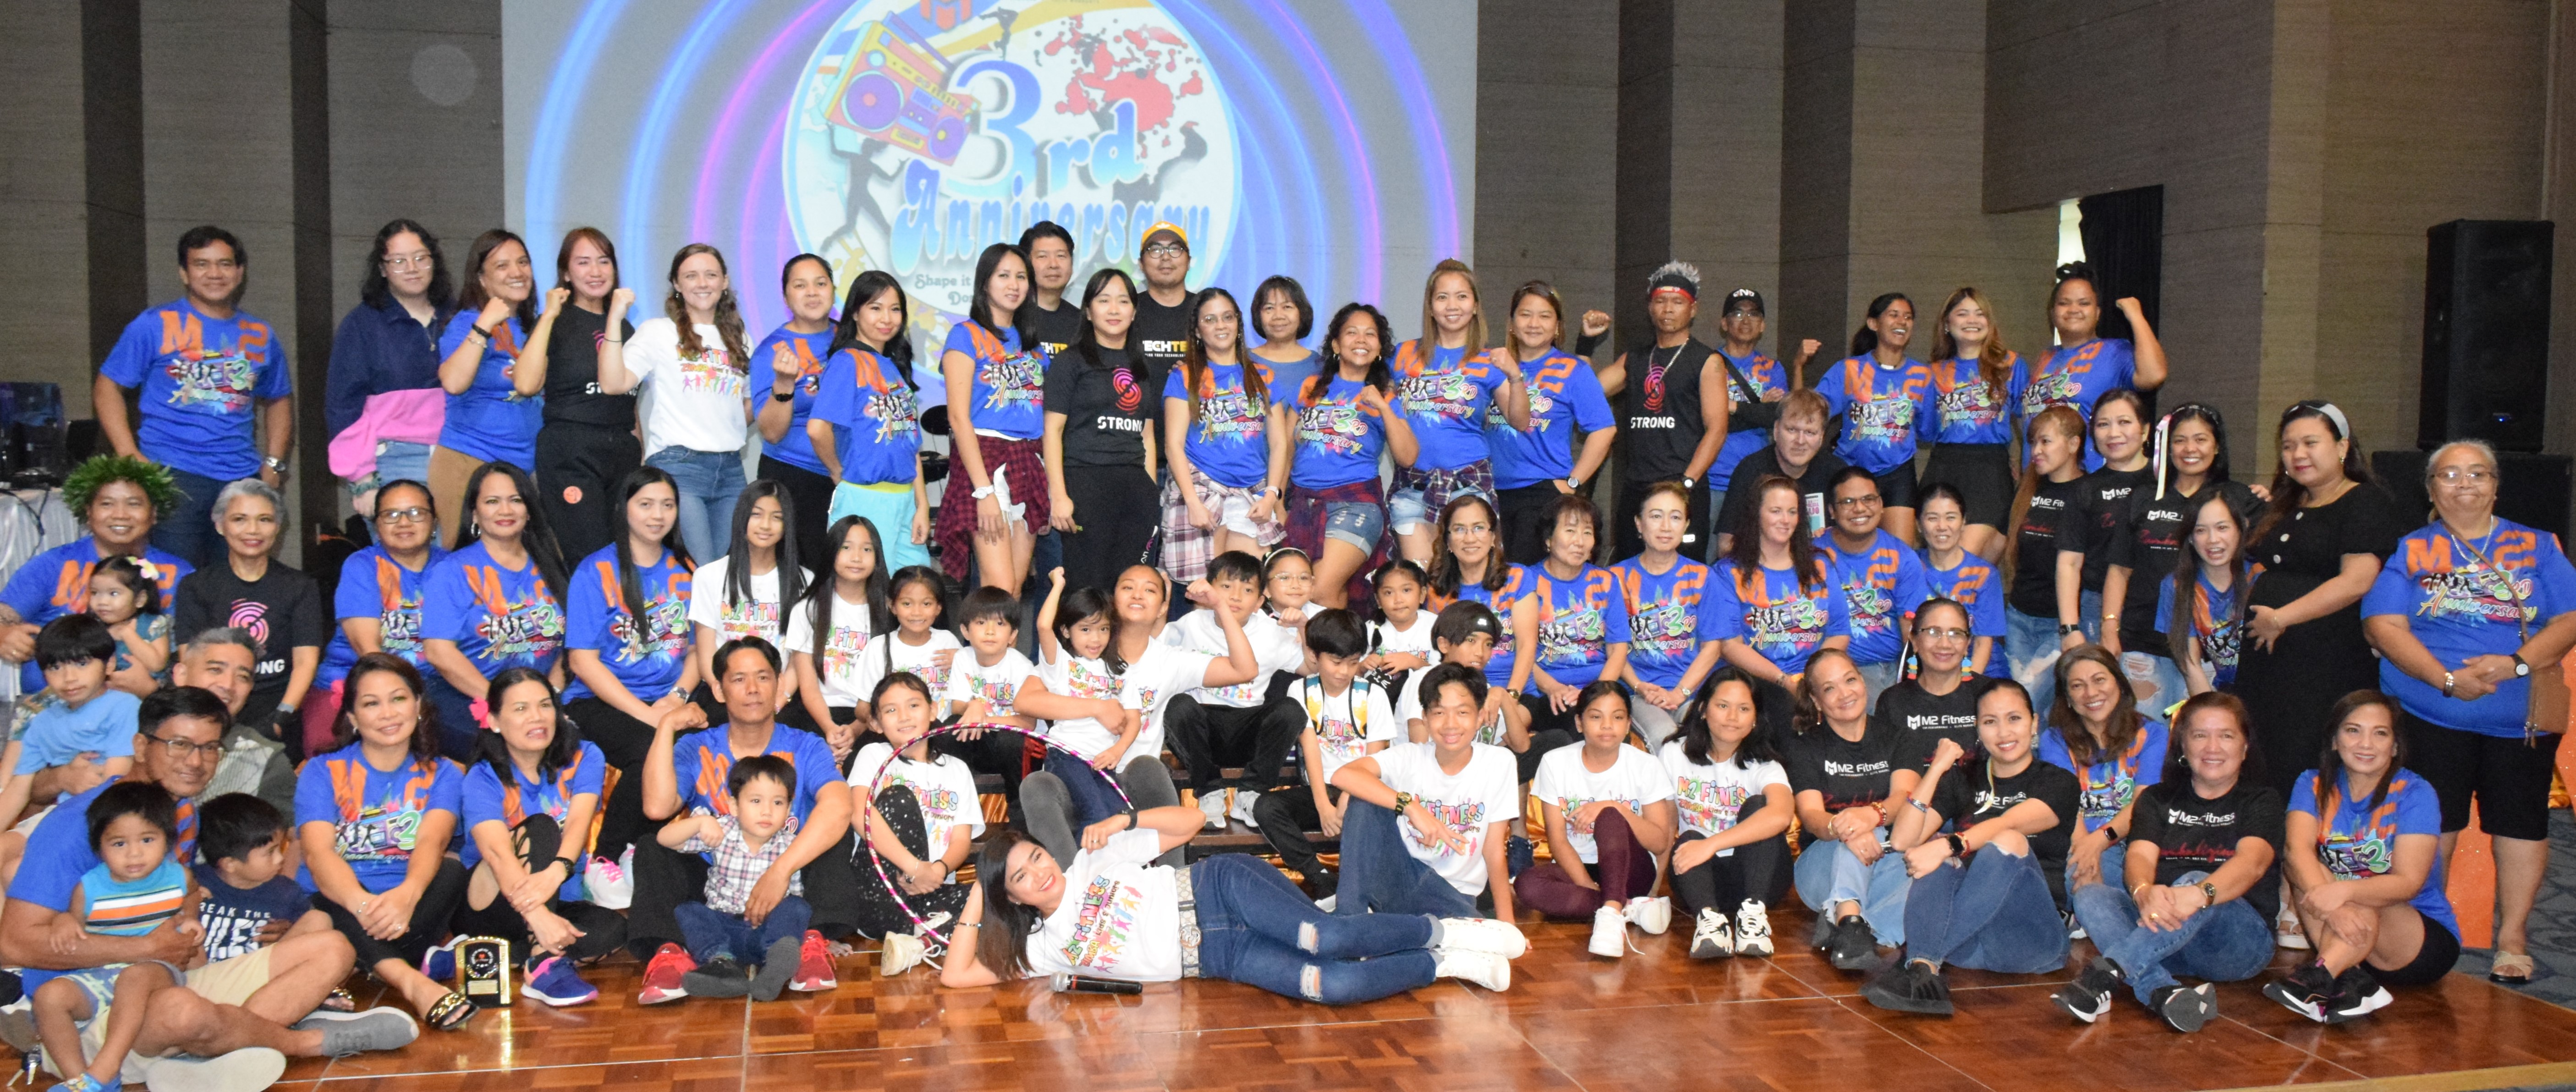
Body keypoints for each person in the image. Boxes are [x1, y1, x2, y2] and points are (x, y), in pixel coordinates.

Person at [1, 686, 402, 1092]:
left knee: (332, 946)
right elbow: (14, 945)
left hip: (165, 977)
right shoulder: (77, 823)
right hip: (82, 1014)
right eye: (179, 745)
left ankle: (209, 1052)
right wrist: (143, 950)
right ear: (141, 745)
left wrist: (248, 919)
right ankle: (303, 1041)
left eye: (210, 747)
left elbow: (179, 898)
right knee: (180, 1008)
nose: (196, 761)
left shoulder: (182, 812)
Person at [937, 798, 1526, 999]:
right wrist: (974, 894)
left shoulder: (1092, 862)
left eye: (1034, 856)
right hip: (1216, 960)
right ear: (1008, 896)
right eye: (1017, 876)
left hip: (1219, 890)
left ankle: (1449, 930)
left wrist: (1126, 820)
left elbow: (1192, 820)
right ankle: (1444, 966)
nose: (1038, 873)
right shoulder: (1044, 949)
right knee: (1330, 985)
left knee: (1323, 939)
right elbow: (955, 976)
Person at [2361, 439, 2576, 986]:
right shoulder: (2412, 548)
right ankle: (2428, 929)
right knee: (2434, 823)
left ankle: (2512, 938)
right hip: (2432, 715)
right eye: (2449, 475)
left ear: (2495, 484)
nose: (2464, 484)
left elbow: (2569, 619)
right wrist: (2447, 680)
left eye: (2476, 474)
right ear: (2430, 489)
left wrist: (2513, 664)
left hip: (2518, 719)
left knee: (2520, 823)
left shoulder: (2537, 547)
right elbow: (2382, 626)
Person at [628, 638, 857, 983]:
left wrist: (779, 872)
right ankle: (669, 954)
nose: (752, 689)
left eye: (763, 678)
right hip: (717, 882)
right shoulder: (696, 745)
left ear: (780, 685)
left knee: (835, 835)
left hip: (790, 883)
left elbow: (840, 806)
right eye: (738, 679)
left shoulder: (805, 744)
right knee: (652, 847)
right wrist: (665, 728)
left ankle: (812, 943)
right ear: (719, 690)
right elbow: (657, 807)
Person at [2054, 691, 2281, 1034]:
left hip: (2236, 946)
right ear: (2182, 746)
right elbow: (2140, 856)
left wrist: (2198, 893)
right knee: (2089, 895)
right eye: (2199, 735)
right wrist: (2143, 890)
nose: (2212, 747)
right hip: (2161, 934)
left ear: (2245, 747)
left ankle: (2110, 970)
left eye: (2226, 735)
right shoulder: (2155, 799)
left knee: (2194, 878)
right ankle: (2163, 991)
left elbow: (2252, 863)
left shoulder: (2262, 799)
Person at [1869, 678, 2080, 1015]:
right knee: (1936, 851)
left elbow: (2006, 825)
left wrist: (1950, 845)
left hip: (2030, 941)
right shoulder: (1965, 777)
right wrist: (1937, 769)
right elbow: (1902, 840)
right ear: (1977, 729)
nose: (2003, 731)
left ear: (2034, 723)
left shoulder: (2057, 781)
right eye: (1989, 721)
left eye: (2014, 718)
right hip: (1964, 943)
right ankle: (1923, 969)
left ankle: (1916, 958)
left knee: (2003, 842)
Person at [1015, 564, 1241, 867]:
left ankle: (1164, 883)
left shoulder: (1135, 669)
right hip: (1072, 762)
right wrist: (1097, 707)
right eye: (1127, 587)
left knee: (1135, 786)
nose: (1138, 595)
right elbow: (1026, 698)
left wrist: (1220, 605)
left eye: (1149, 589)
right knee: (1064, 798)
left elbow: (1244, 670)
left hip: (1120, 772)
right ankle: (1077, 888)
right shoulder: (1068, 663)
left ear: (1164, 606)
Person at [93, 226, 291, 569]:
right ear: (184, 273)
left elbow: (279, 398)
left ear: (240, 272)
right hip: (173, 474)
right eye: (202, 264)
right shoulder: (154, 324)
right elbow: (107, 387)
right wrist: (131, 457)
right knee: (175, 581)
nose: (214, 274)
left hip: (241, 476)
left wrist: (273, 466)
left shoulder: (261, 333)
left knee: (236, 581)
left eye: (225, 264)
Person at [295, 653, 473, 1031]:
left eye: (398, 698)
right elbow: (317, 852)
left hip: (409, 912)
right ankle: (411, 982)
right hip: (342, 903)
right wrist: (362, 905)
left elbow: (432, 840)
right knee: (326, 899)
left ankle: (357, 965)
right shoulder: (321, 771)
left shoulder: (444, 772)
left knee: (452, 868)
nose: (388, 713)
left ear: (419, 705)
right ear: (353, 718)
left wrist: (406, 895)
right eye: (371, 704)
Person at [2265, 690, 2462, 1022]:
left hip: (2415, 938)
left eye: (2380, 733)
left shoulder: (2415, 793)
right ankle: (2351, 981)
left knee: (2359, 894)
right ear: (2334, 740)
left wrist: (2343, 894)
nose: (2365, 743)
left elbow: (2408, 883)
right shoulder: (2311, 783)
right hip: (2347, 930)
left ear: (2395, 746)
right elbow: (2295, 851)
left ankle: (2314, 979)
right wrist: (2337, 902)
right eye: (2353, 730)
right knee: (2302, 871)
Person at [2236, 401, 2400, 795]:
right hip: (2270, 663)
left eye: (2311, 442)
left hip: (2324, 663)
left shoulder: (2363, 501)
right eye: (2289, 446)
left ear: (2342, 447)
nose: (2298, 455)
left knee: (2306, 759)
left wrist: (2281, 618)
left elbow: (2357, 581)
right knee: (2264, 753)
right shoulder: (2287, 502)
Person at [450, 668, 626, 1006]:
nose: (537, 717)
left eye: (545, 705)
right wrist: (539, 916)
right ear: (495, 720)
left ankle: (475, 955)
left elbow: (578, 822)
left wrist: (556, 874)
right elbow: (499, 855)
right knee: (542, 827)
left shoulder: (586, 755)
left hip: (556, 891)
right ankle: (544, 964)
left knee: (612, 930)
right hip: (492, 900)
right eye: (520, 708)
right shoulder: (481, 777)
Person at [561, 467, 697, 862]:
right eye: (646, 504)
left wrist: (676, 698)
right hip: (598, 701)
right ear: (624, 509)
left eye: (667, 505)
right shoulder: (593, 571)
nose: (658, 515)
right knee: (649, 751)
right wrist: (651, 717)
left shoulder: (687, 570)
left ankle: (666, 857)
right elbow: (582, 662)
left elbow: (696, 651)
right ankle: (607, 857)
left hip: (668, 697)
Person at [31, 780, 199, 1092]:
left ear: (168, 840)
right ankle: (80, 1082)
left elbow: (192, 895)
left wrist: (190, 917)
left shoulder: (178, 876)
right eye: (119, 844)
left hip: (155, 970)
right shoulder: (90, 888)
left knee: (134, 977)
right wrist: (63, 921)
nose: (134, 853)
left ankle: (104, 1072)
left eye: (147, 839)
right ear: (100, 848)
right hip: (101, 975)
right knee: (48, 997)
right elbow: (73, 920)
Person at [597, 244, 756, 561]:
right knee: (699, 572)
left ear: (724, 282)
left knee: (725, 575)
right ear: (677, 284)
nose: (702, 283)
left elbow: (746, 406)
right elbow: (613, 383)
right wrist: (614, 318)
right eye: (691, 276)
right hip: (678, 467)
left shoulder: (741, 339)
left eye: (711, 275)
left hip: (730, 472)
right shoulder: (658, 332)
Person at [1330, 662, 1522, 923]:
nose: (1451, 724)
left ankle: (1396, 933)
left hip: (1452, 896)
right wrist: (1411, 807)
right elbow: (1344, 775)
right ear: (1425, 718)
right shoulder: (1410, 757)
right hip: (1401, 881)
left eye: (1462, 713)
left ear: (1479, 718)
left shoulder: (1499, 762)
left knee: (1489, 946)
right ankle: (1349, 921)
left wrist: (1507, 923)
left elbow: (1493, 850)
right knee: (1363, 800)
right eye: (1439, 713)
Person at [2099, 403, 2259, 713]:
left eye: (2200, 439)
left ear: (2216, 446)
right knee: (2147, 738)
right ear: (2166, 447)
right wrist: (2109, 629)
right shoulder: (2143, 496)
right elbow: (2119, 569)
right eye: (2179, 440)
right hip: (2144, 644)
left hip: (2214, 654)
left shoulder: (2238, 499)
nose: (2190, 449)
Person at [648, 754, 838, 1002]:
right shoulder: (723, 830)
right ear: (735, 806)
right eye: (756, 801)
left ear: (789, 809)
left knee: (796, 907)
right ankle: (721, 965)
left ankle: (778, 964)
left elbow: (795, 904)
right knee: (689, 911)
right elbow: (664, 838)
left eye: (778, 803)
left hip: (768, 933)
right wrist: (701, 822)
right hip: (723, 927)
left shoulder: (793, 845)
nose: (767, 811)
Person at [0, 456, 190, 696]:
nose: (120, 514)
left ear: (154, 514)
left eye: (134, 504)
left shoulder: (184, 574)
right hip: (51, 708)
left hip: (145, 709)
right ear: (88, 513)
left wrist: (155, 690)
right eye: (107, 504)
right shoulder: (51, 565)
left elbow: (197, 654)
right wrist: (4, 634)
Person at [420, 461, 569, 760]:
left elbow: (572, 646)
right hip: (467, 694)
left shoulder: (552, 565)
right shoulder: (452, 571)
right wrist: (508, 705)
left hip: (542, 695)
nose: (506, 510)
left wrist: (548, 698)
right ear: (474, 513)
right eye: (492, 501)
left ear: (529, 510)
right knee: (508, 748)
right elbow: (439, 652)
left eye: (515, 500)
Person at [1517, 682, 1676, 959]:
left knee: (1611, 817)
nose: (1607, 726)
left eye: (1617, 717)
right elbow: (1557, 840)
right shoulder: (1556, 763)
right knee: (1526, 886)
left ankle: (1612, 911)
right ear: (1579, 723)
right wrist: (1587, 885)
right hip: (1578, 868)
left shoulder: (1646, 765)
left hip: (1630, 870)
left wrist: (1614, 808)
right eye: (1595, 717)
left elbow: (1660, 843)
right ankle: (1623, 909)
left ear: (1628, 725)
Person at [1388, 262, 1531, 565]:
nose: (1452, 306)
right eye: (1442, 297)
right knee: (1421, 583)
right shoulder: (1401, 355)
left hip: (1469, 484)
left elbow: (1520, 420)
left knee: (1472, 581)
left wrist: (1515, 375)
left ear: (1476, 305)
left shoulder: (1489, 360)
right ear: (1429, 306)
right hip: (1414, 485)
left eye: (1461, 297)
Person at [1274, 303, 1415, 609]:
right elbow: (1285, 447)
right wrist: (1277, 501)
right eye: (1351, 333)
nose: (1361, 340)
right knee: (1316, 596)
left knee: (1317, 591)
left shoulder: (1384, 397)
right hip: (1303, 503)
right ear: (1336, 345)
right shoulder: (1311, 387)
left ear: (1379, 348)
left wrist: (1382, 406)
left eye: (1370, 334)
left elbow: (1407, 456)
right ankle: (1338, 653)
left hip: (1355, 504)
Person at [1160, 550, 1313, 830]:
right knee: (1178, 705)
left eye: (1247, 590)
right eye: (1226, 587)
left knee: (1291, 710)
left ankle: (1250, 794)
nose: (1235, 597)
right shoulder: (1191, 624)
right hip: (1202, 730)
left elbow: (1310, 668)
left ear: (1259, 602)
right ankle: (1209, 793)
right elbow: (1154, 655)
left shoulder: (1270, 632)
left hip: (1248, 730)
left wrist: (1303, 628)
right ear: (1209, 589)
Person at [1252, 609, 1397, 900]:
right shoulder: (1299, 690)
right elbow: (1311, 749)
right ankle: (1319, 877)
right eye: (1337, 662)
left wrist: (1348, 796)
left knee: (1368, 814)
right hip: (1320, 788)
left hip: (1363, 790)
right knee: (1266, 807)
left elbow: (1375, 759)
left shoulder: (1372, 694)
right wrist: (1322, 805)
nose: (1344, 672)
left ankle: (1364, 890)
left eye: (1353, 663)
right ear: (1315, 656)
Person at [1783, 648, 1913, 969]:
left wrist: (1870, 815)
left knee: (1935, 864)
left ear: (1863, 682)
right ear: (1815, 701)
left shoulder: (1897, 737)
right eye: (1829, 688)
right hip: (1821, 868)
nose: (1844, 693)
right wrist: (1845, 828)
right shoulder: (1805, 746)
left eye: (1850, 680)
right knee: (1856, 832)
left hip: (1884, 861)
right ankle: (1850, 918)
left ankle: (1853, 931)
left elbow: (1904, 799)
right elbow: (1813, 817)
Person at [172, 479, 323, 757]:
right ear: (220, 525)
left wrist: (280, 718)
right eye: (239, 519)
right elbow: (191, 661)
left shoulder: (300, 587)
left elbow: (305, 662)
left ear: (277, 527)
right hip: (212, 715)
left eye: (264, 520)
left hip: (278, 716)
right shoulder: (195, 587)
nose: (253, 530)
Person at [518, 228, 640, 563]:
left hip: (621, 452)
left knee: (623, 557)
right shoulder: (556, 321)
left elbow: (629, 400)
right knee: (590, 560)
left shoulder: (626, 327)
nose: (596, 271)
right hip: (571, 452)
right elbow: (527, 384)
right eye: (583, 263)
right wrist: (549, 315)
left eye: (603, 261)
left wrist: (638, 454)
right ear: (566, 273)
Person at [934, 243, 1050, 592]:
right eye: (1004, 276)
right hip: (985, 460)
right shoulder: (965, 335)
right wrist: (982, 490)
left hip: (1029, 459)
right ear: (984, 283)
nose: (1014, 285)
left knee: (1013, 589)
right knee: (996, 587)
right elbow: (957, 417)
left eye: (1021, 277)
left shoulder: (1032, 344)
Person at [1596, 263, 1729, 563]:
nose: (1668, 309)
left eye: (1678, 302)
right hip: (1637, 489)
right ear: (1650, 307)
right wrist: (1586, 341)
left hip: (1681, 488)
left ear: (1692, 309)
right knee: (1628, 573)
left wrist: (1687, 484)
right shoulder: (1635, 357)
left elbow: (1717, 429)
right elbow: (1588, 391)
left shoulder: (1706, 361)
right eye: (1660, 300)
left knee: (1684, 577)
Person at [325, 219, 455, 518]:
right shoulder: (362, 325)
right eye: (399, 261)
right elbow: (342, 406)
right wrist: (362, 479)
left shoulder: (459, 316)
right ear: (382, 269)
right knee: (402, 562)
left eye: (421, 258)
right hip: (393, 460)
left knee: (452, 563)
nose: (412, 268)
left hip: (457, 454)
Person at [1662, 666, 1791, 959]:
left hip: (1760, 875)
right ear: (1703, 710)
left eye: (1744, 709)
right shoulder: (1674, 753)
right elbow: (1666, 823)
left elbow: (1781, 816)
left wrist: (1712, 844)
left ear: (1756, 718)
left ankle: (1753, 919)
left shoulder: (1765, 765)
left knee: (1760, 807)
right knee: (1688, 838)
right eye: (1723, 706)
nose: (1733, 718)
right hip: (1700, 877)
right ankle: (1711, 924)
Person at [1043, 269, 1159, 592]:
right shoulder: (1070, 362)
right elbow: (1052, 431)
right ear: (1088, 311)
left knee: (1129, 587)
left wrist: (1149, 490)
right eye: (1103, 300)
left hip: (1134, 489)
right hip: (1085, 485)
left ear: (1134, 312)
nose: (1113, 309)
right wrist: (1059, 495)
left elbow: (1146, 435)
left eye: (1123, 301)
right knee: (1087, 588)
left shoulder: (1141, 366)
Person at [1709, 476, 1852, 737]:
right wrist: (1784, 680)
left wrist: (1812, 676)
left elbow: (1840, 631)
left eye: (1792, 512)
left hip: (1813, 676)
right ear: (1756, 515)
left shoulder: (1820, 564)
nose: (1785, 520)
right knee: (1788, 713)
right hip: (1756, 681)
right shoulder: (1728, 572)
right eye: (1776, 511)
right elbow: (1730, 646)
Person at [310, 479, 444, 758]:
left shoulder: (454, 567)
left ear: (434, 521)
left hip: (435, 688)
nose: (404, 522)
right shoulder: (362, 565)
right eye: (391, 515)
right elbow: (368, 652)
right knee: (331, 763)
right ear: (377, 525)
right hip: (352, 683)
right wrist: (399, 703)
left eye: (416, 513)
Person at [810, 269, 933, 573]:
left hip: (905, 500)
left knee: (911, 593)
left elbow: (910, 444)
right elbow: (817, 428)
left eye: (894, 309)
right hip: (865, 499)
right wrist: (838, 471)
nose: (886, 318)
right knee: (868, 600)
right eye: (875, 308)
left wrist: (922, 504)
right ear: (855, 312)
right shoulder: (846, 361)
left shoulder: (893, 367)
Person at [1164, 288, 1288, 582]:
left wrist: (1272, 495)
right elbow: (1173, 445)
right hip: (1203, 489)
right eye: (1210, 319)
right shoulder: (1183, 376)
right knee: (1207, 593)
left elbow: (1280, 442)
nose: (1221, 326)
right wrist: (1193, 502)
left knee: (1247, 587)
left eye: (1228, 317)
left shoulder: (1264, 376)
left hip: (1252, 494)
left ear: (1238, 323)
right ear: (1197, 330)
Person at [1485, 282, 1615, 565]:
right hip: (1487, 491)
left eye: (1545, 316)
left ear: (1557, 327)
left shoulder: (1574, 371)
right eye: (1525, 315)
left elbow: (1604, 430)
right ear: (1511, 323)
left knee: (1525, 582)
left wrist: (1572, 483)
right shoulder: (1492, 366)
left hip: (1542, 494)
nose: (1534, 324)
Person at [847, 672, 980, 943]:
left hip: (932, 891)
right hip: (881, 891)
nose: (904, 716)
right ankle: (930, 932)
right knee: (899, 799)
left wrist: (938, 871)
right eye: (891, 710)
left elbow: (961, 840)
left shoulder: (957, 770)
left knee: (994, 896)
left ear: (933, 710)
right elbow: (858, 812)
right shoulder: (873, 755)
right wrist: (914, 868)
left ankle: (919, 943)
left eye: (914, 705)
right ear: (876, 722)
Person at [430, 229, 541, 548]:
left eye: (523, 262)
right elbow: (453, 382)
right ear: (481, 279)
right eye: (502, 266)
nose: (517, 272)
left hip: (522, 468)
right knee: (463, 563)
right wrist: (485, 324)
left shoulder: (532, 326)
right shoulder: (468, 322)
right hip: (468, 460)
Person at [2035, 644, 2169, 900]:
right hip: (2078, 843)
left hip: (2136, 841)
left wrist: (2099, 841)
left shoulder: (2153, 735)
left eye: (2099, 680)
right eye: (2077, 686)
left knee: (2094, 890)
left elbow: (2143, 804)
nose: (2091, 693)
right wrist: (2085, 851)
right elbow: (2065, 805)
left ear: (2119, 683)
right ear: (2068, 698)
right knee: (2082, 881)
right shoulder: (2054, 740)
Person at [0, 618, 141, 840]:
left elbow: (116, 779)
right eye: (56, 667)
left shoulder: (124, 706)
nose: (69, 678)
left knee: (16, 867)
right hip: (62, 814)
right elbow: (17, 790)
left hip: (110, 818)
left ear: (110, 664)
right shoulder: (42, 722)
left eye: (82, 663)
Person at [2011, 262, 2169, 460]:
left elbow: (2154, 376)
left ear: (2098, 313)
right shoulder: (2046, 357)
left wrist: (2136, 316)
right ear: (2052, 313)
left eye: (2084, 303)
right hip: (2038, 480)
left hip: (2088, 480)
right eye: (2064, 303)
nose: (2074, 309)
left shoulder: (2114, 351)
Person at [1426, 497, 1543, 761]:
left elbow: (1527, 646)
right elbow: (1440, 654)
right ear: (1447, 541)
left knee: (1499, 743)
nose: (1470, 538)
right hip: (1460, 694)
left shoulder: (1518, 578)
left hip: (1516, 691)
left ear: (1493, 537)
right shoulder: (1437, 591)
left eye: (1479, 528)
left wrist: (1509, 697)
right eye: (1459, 529)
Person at [1813, 293, 1932, 544]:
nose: (1902, 321)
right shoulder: (1848, 370)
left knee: (1900, 555)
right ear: (1873, 323)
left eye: (1908, 317)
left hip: (1898, 473)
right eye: (1894, 314)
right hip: (1850, 470)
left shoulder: (1923, 376)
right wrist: (1799, 369)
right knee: (1845, 550)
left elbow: (1929, 431)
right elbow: (1813, 412)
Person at [1615, 481, 1726, 749]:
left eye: (1676, 517)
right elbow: (1612, 649)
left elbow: (1713, 647)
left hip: (1692, 691)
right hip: (1638, 692)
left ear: (1686, 525)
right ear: (1639, 524)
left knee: (1717, 733)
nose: (1666, 527)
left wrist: (1681, 693)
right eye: (1656, 516)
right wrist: (1641, 687)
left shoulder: (1703, 577)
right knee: (1665, 739)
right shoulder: (1614, 579)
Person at [1707, 289, 1820, 543]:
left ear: (1763, 326)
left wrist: (1731, 406)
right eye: (1737, 313)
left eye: (1753, 314)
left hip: (1759, 479)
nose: (1746, 320)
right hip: (1713, 478)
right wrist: (1758, 408)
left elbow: (1776, 417)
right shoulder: (1707, 363)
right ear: (1724, 323)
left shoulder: (1772, 368)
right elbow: (1706, 416)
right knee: (1715, 557)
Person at [753, 254, 843, 569]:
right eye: (801, 285)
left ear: (833, 289)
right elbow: (772, 433)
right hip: (795, 480)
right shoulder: (772, 349)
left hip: (850, 478)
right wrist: (784, 383)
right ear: (786, 296)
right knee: (802, 582)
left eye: (821, 283)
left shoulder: (851, 338)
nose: (812, 292)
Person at [690, 481, 807, 721]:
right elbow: (706, 653)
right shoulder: (708, 576)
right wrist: (727, 692)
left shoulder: (804, 581)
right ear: (741, 518)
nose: (766, 525)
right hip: (724, 693)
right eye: (756, 515)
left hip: (778, 697)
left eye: (777, 517)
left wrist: (780, 697)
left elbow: (799, 658)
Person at [2053, 390, 2154, 663]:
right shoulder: (2085, 489)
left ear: (2145, 431)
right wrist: (2070, 628)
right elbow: (2069, 563)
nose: (2113, 433)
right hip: (2095, 605)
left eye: (2124, 422)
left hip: (2154, 605)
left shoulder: (2167, 482)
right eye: (2103, 424)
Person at [1520, 497, 1631, 744]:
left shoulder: (1606, 581)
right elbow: (1520, 650)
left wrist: (1596, 693)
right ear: (1548, 539)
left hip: (1598, 690)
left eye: (1587, 533)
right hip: (1546, 692)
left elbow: (1618, 649)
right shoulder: (1526, 582)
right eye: (1570, 531)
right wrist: (1553, 688)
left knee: (1611, 730)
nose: (1579, 541)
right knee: (1575, 730)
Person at [1919, 288, 2020, 559]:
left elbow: (2027, 418)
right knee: (1942, 561)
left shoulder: (2010, 364)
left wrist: (2026, 467)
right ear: (1947, 324)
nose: (1972, 320)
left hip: (1991, 470)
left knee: (1968, 561)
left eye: (1980, 314)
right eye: (1962, 314)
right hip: (1944, 467)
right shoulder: (1933, 372)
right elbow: (1927, 432)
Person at [2002, 406, 2089, 713]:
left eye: (2045, 442)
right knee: (2023, 710)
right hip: (2019, 617)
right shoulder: (2030, 490)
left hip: (2060, 624)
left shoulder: (2088, 492)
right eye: (2032, 443)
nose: (2035, 451)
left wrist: (2071, 628)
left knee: (2026, 700)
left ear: (2073, 443)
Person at [1821, 467, 1931, 704]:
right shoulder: (1813, 555)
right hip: (1826, 669)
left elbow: (1911, 636)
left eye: (1869, 499)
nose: (1860, 509)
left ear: (1881, 504)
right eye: (1848, 502)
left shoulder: (1903, 557)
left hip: (1884, 669)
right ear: (1832, 511)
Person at [785, 516, 887, 761]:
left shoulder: (888, 611)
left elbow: (885, 686)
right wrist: (831, 729)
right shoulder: (808, 610)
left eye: (866, 549)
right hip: (819, 711)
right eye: (846, 547)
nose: (857, 557)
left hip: (869, 716)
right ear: (832, 552)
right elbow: (808, 687)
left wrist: (855, 729)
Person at [191, 793, 334, 967]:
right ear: (230, 864)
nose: (280, 859)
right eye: (270, 852)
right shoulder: (194, 882)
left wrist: (288, 932)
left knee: (318, 920)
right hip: (200, 977)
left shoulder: (286, 892)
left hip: (258, 977)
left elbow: (299, 939)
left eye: (280, 848)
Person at [1714, 391, 1847, 556]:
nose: (1800, 441)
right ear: (1776, 430)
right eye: (1792, 430)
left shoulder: (1837, 472)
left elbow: (1852, 540)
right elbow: (1726, 546)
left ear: (1822, 437)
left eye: (1810, 433)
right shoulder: (1751, 470)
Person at [847, 566, 961, 754]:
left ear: (938, 608)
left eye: (926, 604)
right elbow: (862, 708)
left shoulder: (948, 642)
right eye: (907, 604)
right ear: (892, 606)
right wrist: (883, 719)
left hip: (939, 735)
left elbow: (968, 692)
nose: (917, 612)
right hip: (894, 734)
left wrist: (962, 662)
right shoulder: (879, 647)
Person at [1877, 599, 1988, 772]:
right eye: (1933, 632)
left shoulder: (1990, 695)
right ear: (1914, 641)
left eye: (1956, 634)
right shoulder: (1893, 702)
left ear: (1968, 644)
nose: (1944, 644)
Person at [2161, 491, 2254, 697]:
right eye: (2201, 530)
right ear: (2191, 539)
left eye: (2222, 528)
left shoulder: (2260, 576)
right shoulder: (2176, 586)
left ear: (2242, 528)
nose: (2213, 540)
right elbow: (2190, 663)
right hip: (2226, 692)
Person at [1917, 485, 2005, 676]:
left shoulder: (1984, 574)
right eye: (1933, 518)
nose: (1942, 526)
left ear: (1963, 522)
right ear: (1919, 525)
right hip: (1931, 670)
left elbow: (1984, 642)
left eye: (1951, 517)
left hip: (1981, 671)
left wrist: (1967, 688)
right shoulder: (1910, 567)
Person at [1129, 221, 1197, 393]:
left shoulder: (1206, 311)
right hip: (1137, 417)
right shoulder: (1125, 311)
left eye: (1175, 249)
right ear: (1141, 264)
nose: (1166, 257)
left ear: (1189, 261)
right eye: (1155, 250)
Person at [87, 557, 169, 698]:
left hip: (147, 697)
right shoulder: (92, 626)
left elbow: (157, 664)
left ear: (140, 600)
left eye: (113, 593)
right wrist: (104, 637)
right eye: (95, 593)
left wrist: (128, 635)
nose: (102, 602)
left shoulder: (153, 623)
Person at [1247, 275, 1325, 414]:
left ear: (1302, 313)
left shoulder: (1321, 367)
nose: (1279, 316)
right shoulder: (1242, 361)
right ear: (1258, 315)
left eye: (1287, 307)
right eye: (1269, 308)